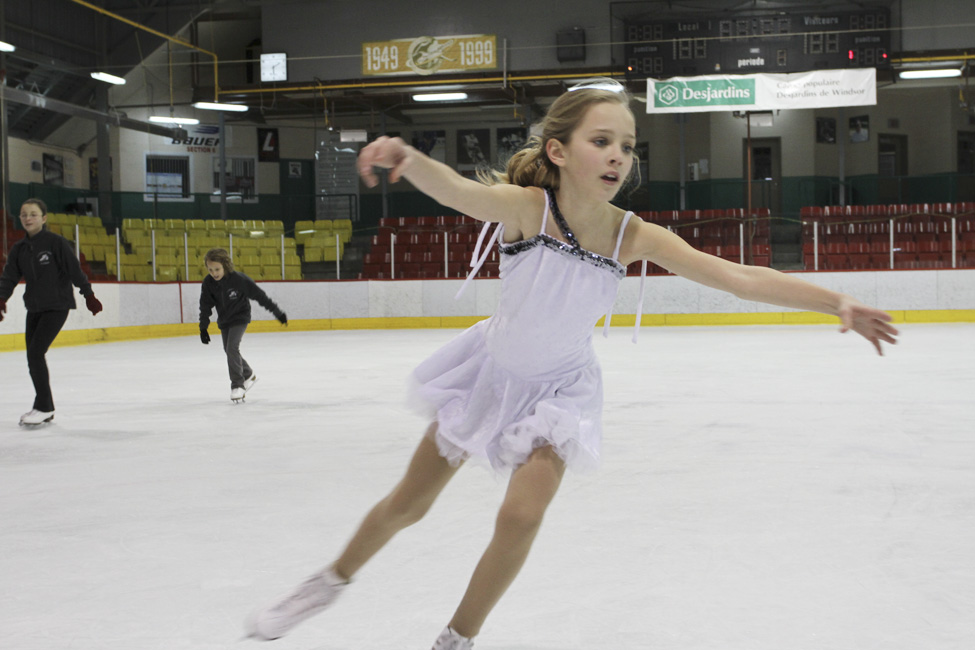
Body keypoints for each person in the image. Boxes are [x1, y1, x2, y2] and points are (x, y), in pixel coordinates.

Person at [246, 79, 899, 649]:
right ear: (558, 151)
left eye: (626, 144)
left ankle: (455, 638)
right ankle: (328, 582)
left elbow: (737, 277)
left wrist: (833, 300)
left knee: (521, 515)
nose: (617, 154)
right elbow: (452, 192)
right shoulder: (527, 210)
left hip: (560, 391)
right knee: (406, 506)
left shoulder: (632, 234)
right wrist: (406, 155)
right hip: (489, 374)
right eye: (601, 140)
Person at [0, 198, 103, 426]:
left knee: (35, 353)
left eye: (33, 214)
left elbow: (74, 270)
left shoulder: (56, 243)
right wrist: (1, 298)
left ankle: (43, 407)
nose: (28, 218)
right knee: (33, 356)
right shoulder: (19, 249)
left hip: (57, 306)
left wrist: (88, 295)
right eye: (24, 214)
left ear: (44, 218)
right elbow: (9, 277)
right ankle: (45, 406)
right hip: (34, 308)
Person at [198, 248, 287, 402]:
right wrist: (203, 327)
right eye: (210, 270)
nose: (214, 273)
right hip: (225, 320)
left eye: (217, 269)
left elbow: (260, 296)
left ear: (225, 265)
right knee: (228, 349)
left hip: (240, 318)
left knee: (232, 348)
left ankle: (237, 385)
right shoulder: (208, 283)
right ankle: (248, 374)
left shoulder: (238, 280)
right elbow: (205, 306)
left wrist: (277, 312)